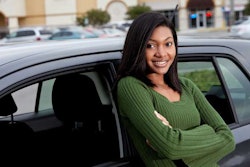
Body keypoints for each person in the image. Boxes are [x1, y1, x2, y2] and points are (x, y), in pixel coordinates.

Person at [115, 11, 235, 167]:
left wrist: (176, 137)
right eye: (150, 45)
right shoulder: (131, 87)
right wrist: (208, 133)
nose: (162, 53)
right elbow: (170, 147)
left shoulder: (186, 86)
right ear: (137, 48)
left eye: (168, 44)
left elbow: (228, 139)